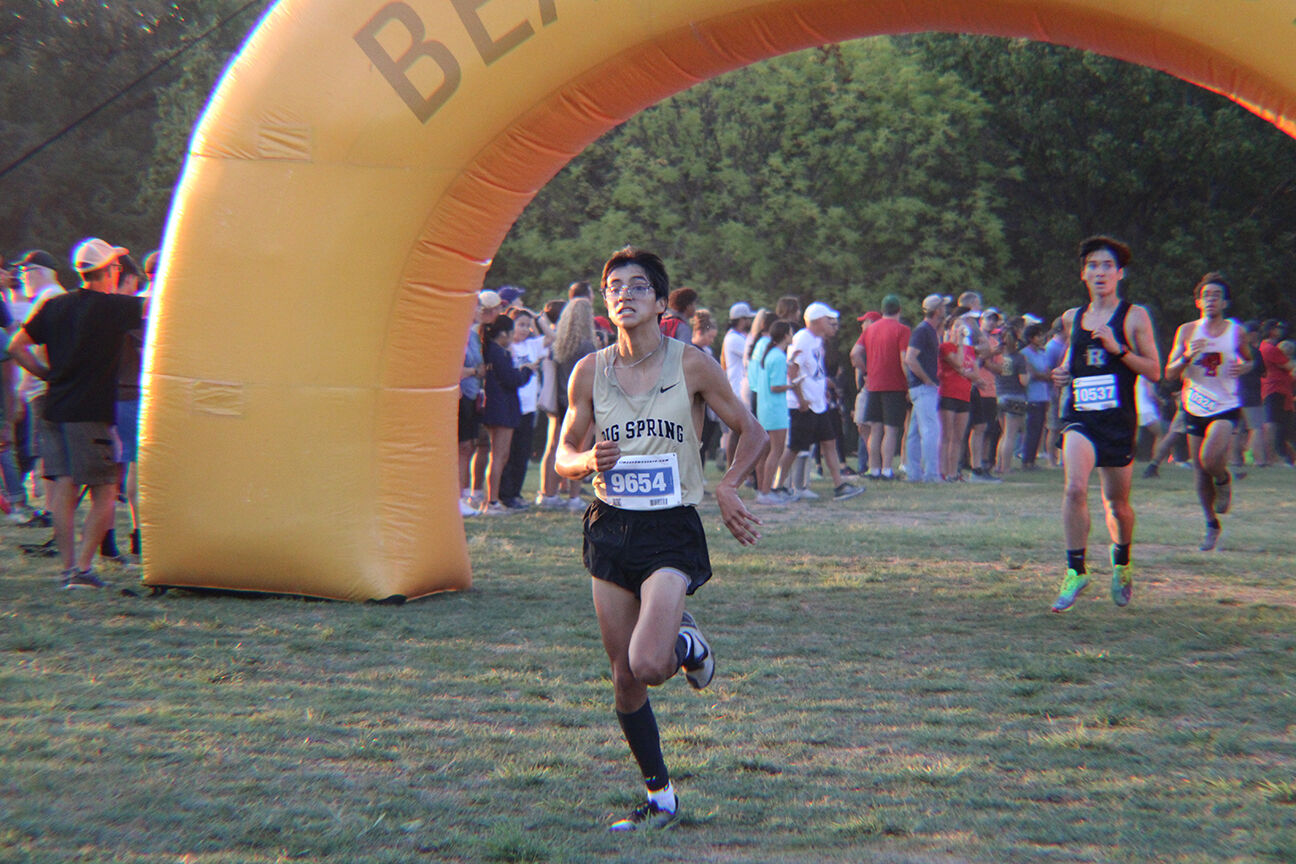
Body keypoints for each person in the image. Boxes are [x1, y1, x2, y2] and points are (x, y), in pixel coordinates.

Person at [556, 246, 767, 831]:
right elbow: (562, 454)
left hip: (671, 527)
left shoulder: (692, 364)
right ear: (605, 301)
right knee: (623, 677)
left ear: (658, 300)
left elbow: (753, 431)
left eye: (638, 286)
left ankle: (686, 646)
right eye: (614, 286)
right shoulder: (588, 372)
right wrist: (583, 463)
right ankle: (660, 796)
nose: (625, 293)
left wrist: (728, 485)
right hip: (609, 526)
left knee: (649, 663)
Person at [6, 238, 146, 588]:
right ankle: (83, 570)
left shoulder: (55, 305)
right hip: (90, 414)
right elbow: (159, 307)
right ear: (112, 270)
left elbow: (16, 346)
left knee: (64, 491)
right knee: (105, 491)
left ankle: (68, 569)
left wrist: (46, 374)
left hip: (54, 409)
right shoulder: (113, 307)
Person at [1049, 236, 1161, 613]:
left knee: (1117, 505)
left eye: (1107, 266)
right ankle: (1075, 569)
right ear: (1083, 273)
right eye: (1093, 265)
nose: (1100, 272)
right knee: (1074, 489)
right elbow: (1070, 361)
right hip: (1080, 418)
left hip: (1117, 421)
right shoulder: (1072, 318)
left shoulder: (1134, 316)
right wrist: (1062, 373)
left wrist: (1119, 349)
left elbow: (1154, 370)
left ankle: (1122, 562)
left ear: (1120, 273)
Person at [1163, 274, 1252, 551]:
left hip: (1225, 404)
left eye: (1216, 295)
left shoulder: (1235, 332)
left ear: (1225, 302)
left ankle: (1224, 479)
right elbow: (1170, 373)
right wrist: (1188, 355)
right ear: (1198, 301)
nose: (1211, 299)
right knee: (1200, 472)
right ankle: (1211, 524)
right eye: (1206, 295)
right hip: (1194, 405)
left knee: (1210, 459)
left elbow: (1250, 360)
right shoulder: (1187, 331)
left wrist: (1244, 368)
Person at [779, 302, 863, 501]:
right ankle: (777, 485)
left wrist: (823, 390)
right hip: (804, 403)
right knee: (794, 447)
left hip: (817, 402)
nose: (832, 323)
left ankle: (840, 485)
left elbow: (814, 370)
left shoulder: (817, 340)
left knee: (829, 441)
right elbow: (793, 371)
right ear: (816, 321)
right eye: (828, 320)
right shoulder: (802, 339)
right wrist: (801, 399)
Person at [479, 315, 534, 514]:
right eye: (511, 333)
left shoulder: (494, 351)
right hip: (501, 409)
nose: (512, 337)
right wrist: (527, 371)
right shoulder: (497, 352)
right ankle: (492, 501)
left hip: (498, 407)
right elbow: (511, 379)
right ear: (503, 333)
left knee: (498, 455)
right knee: (499, 456)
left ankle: (491, 499)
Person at [858, 296, 910, 480]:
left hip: (874, 384)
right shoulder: (902, 330)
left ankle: (874, 469)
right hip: (894, 385)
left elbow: (855, 353)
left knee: (875, 429)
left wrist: (865, 372)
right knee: (892, 429)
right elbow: (904, 359)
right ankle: (887, 469)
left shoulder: (870, 329)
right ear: (899, 310)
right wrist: (909, 383)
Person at [903, 294, 946, 483]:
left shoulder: (927, 330)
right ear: (937, 311)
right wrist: (927, 379)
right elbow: (910, 358)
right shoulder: (923, 331)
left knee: (914, 432)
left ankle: (914, 473)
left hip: (919, 387)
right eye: (943, 307)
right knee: (931, 430)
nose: (946, 310)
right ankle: (931, 474)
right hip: (923, 387)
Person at [753, 320, 795, 503]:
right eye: (791, 332)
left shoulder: (769, 354)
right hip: (776, 410)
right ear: (785, 335)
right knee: (776, 451)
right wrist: (793, 385)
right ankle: (767, 491)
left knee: (765, 452)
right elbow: (776, 386)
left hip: (764, 409)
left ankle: (762, 491)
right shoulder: (778, 356)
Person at [937, 313, 977, 482]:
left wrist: (967, 373)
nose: (961, 329)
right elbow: (959, 363)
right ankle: (942, 471)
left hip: (964, 393)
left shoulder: (969, 350)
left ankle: (954, 472)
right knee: (946, 435)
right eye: (957, 325)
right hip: (948, 393)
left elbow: (974, 371)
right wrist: (959, 343)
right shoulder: (946, 347)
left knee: (959, 437)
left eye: (963, 325)